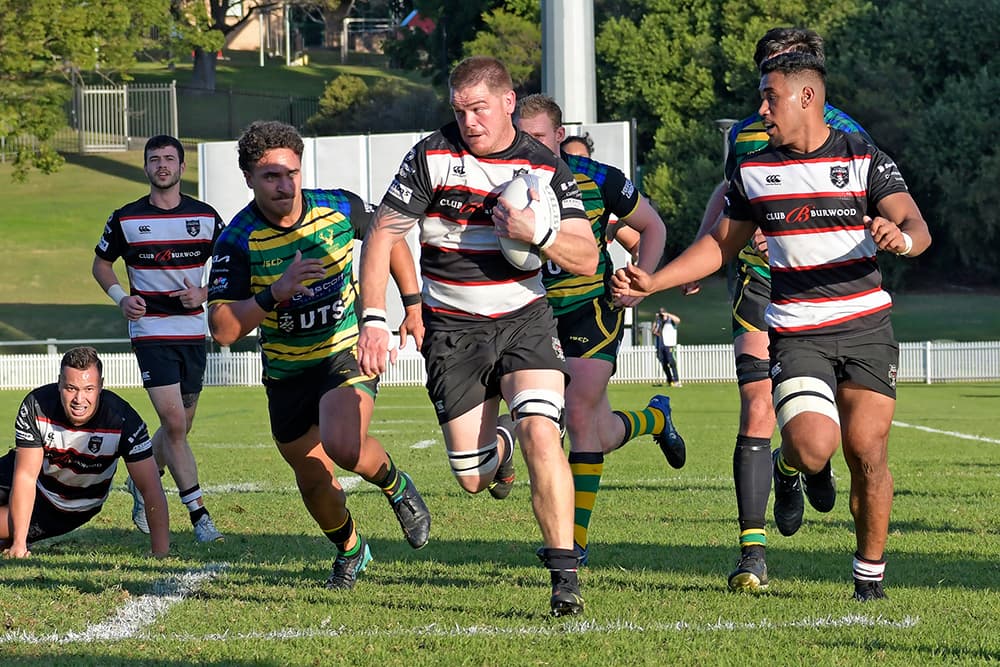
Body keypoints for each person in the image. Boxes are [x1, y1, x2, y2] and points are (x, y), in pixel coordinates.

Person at [613, 50, 931, 601]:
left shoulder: (862, 155)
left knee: (867, 451)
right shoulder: (754, 169)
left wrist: (898, 238)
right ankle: (789, 467)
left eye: (770, 95)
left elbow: (915, 223)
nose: (761, 108)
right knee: (813, 448)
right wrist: (655, 281)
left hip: (865, 325)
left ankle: (869, 577)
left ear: (806, 97)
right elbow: (719, 244)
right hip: (797, 329)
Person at [356, 57, 598, 616]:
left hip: (523, 318)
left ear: (509, 102)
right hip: (452, 327)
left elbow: (586, 258)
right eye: (460, 110)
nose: (469, 121)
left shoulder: (545, 168)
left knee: (543, 430)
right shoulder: (429, 155)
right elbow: (383, 233)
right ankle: (501, 448)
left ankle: (565, 576)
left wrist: (537, 233)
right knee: (472, 477)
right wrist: (374, 316)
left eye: (480, 109)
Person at [689, 28, 878, 593]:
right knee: (755, 407)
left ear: (808, 82)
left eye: (781, 73)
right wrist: (704, 254)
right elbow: (728, 199)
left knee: (820, 441)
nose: (767, 94)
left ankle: (793, 466)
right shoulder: (747, 135)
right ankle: (751, 554)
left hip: (829, 294)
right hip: (760, 283)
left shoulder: (847, 133)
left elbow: (865, 205)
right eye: (765, 75)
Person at [206, 120, 431, 591]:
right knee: (313, 481)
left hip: (343, 353)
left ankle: (397, 486)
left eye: (291, 172)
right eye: (270, 176)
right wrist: (275, 293)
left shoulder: (337, 206)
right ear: (249, 178)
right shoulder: (236, 241)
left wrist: (411, 305)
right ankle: (351, 551)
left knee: (343, 444)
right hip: (287, 374)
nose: (285, 185)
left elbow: (387, 238)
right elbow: (223, 330)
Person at [515, 94, 684, 567]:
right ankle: (654, 418)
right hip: (528, 315)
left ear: (558, 135)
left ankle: (573, 544)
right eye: (522, 136)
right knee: (596, 430)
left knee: (578, 413)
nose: (531, 146)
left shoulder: (600, 178)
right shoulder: (497, 177)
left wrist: (640, 283)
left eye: (540, 137)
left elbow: (651, 228)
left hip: (592, 306)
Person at [92, 134, 225, 543]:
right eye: (155, 160)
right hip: (150, 332)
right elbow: (101, 265)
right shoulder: (127, 218)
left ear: (182, 167)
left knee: (181, 425)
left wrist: (205, 293)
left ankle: (141, 479)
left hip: (192, 332)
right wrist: (121, 298)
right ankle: (199, 516)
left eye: (169, 159)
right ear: (146, 167)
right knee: (173, 424)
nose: (162, 165)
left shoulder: (206, 217)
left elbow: (229, 268)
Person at [1, 347, 169, 558]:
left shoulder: (123, 420)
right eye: (71, 388)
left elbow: (151, 487)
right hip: (34, 472)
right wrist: (19, 544)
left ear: (101, 387)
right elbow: (25, 476)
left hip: (66, 505)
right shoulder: (36, 405)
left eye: (88, 389)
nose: (79, 399)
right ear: (59, 384)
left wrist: (160, 551)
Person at [652, 308, 682, 387]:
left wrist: (667, 315)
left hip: (670, 343)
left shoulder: (671, 321)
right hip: (660, 344)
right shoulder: (659, 322)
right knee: (664, 363)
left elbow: (678, 320)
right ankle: (670, 380)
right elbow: (653, 331)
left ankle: (676, 380)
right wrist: (656, 320)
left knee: (671, 362)